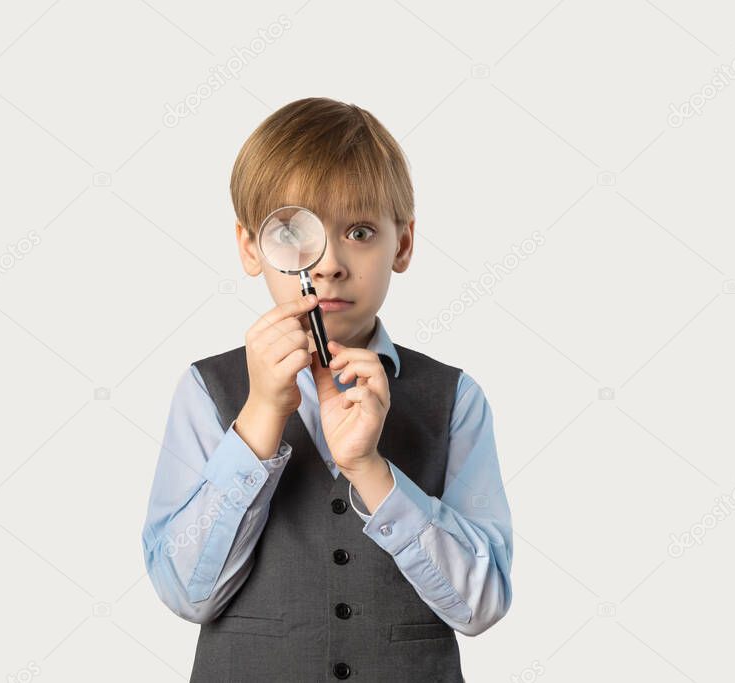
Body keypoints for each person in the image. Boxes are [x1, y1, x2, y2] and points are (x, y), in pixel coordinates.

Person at [141, 97, 513, 681]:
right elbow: (187, 593)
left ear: (404, 244)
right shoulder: (206, 390)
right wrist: (262, 416)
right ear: (250, 247)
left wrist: (371, 469)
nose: (330, 263)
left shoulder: (454, 398)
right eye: (294, 231)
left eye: (360, 231)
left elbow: (482, 603)